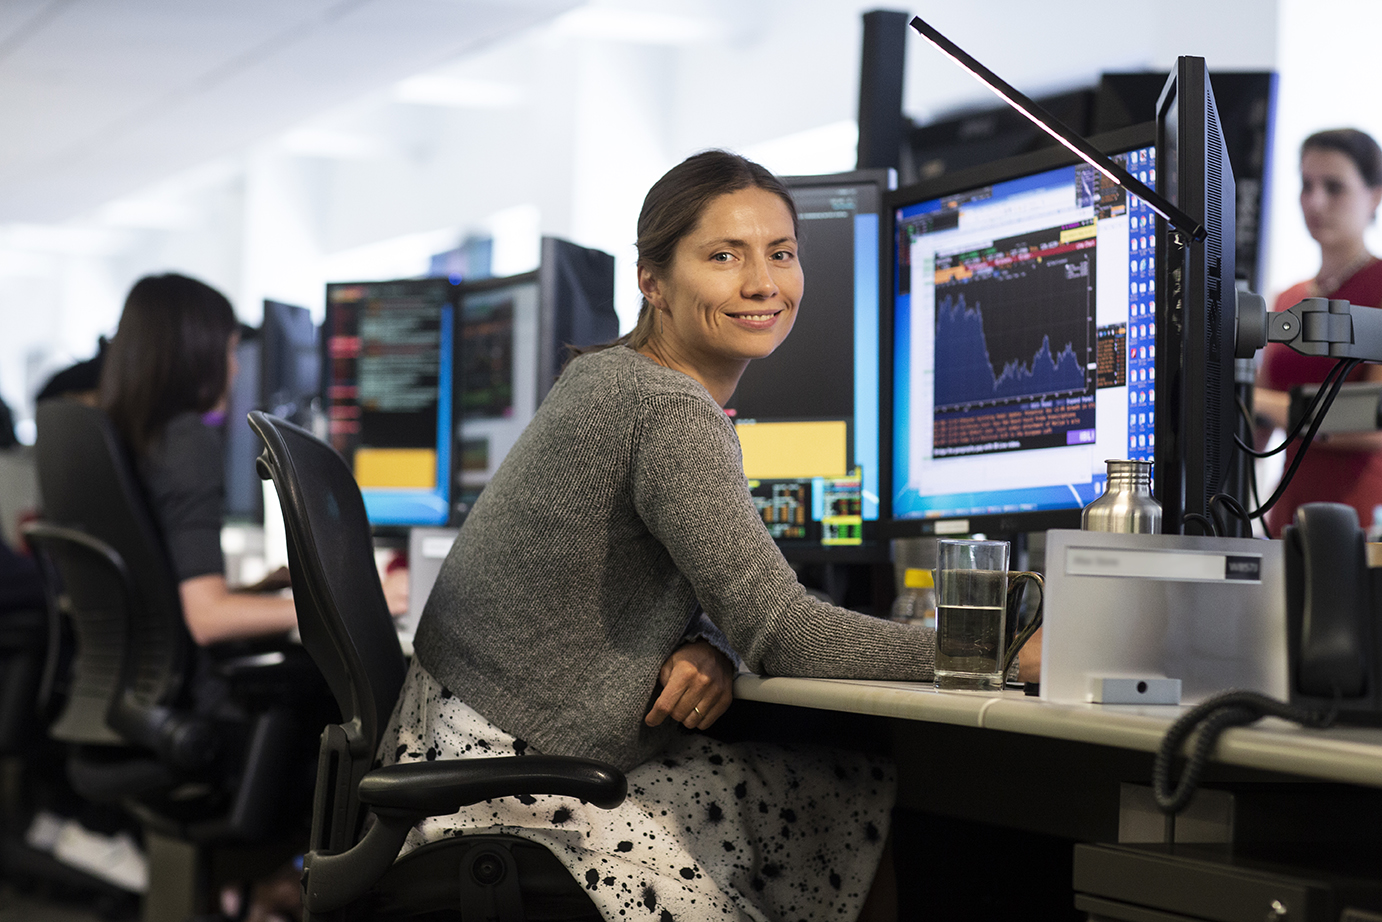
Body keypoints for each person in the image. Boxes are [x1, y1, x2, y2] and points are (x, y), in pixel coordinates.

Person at [379, 151, 944, 922]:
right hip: (507, 790)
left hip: (466, 751)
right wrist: (994, 654)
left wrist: (711, 641)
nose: (763, 284)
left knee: (844, 804)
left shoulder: (610, 376)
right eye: (724, 257)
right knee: (861, 810)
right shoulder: (666, 409)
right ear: (653, 281)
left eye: (781, 253)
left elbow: (712, 599)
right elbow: (785, 633)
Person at [96, 274, 300, 644]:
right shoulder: (187, 443)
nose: (235, 367)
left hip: (124, 685)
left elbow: (163, 600)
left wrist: (255, 590)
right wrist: (353, 607)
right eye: (230, 350)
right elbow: (205, 618)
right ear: (197, 354)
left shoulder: (116, 437)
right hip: (193, 693)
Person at [1257, 128, 1382, 537]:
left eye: (1334, 187)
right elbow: (1254, 431)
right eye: (1306, 185)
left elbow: (1374, 423)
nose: (1315, 202)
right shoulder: (1288, 297)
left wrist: (1255, 401)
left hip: (1356, 524)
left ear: (1374, 196)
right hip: (1286, 517)